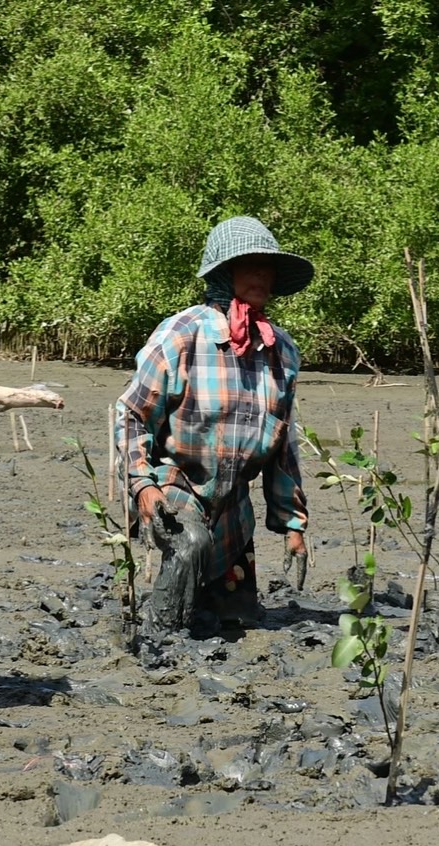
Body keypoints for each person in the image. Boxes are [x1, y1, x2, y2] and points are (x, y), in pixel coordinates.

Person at [117, 216, 311, 633]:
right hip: (175, 485)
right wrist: (142, 485)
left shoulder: (281, 351)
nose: (261, 274)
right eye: (249, 264)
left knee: (235, 623)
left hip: (231, 508)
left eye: (267, 267)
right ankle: (158, 639)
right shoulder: (182, 335)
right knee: (188, 552)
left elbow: (282, 448)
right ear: (224, 271)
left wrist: (292, 524)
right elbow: (132, 414)